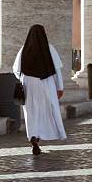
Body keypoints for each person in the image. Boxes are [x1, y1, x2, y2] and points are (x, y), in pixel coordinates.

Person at [12, 24, 67, 155]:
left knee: (31, 112)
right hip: (45, 83)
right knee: (46, 109)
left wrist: (24, 79)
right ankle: (41, 135)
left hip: (28, 84)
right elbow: (57, 70)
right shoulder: (49, 49)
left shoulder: (23, 50)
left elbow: (16, 69)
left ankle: (33, 136)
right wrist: (60, 87)